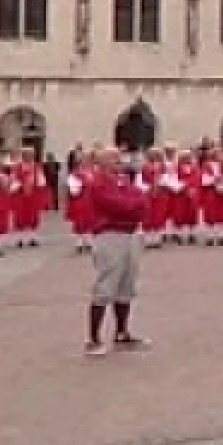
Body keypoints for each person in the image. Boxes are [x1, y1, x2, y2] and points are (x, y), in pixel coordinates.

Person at [83, 149, 151, 357]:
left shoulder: (123, 181)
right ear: (101, 162)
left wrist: (133, 205)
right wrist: (132, 205)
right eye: (114, 159)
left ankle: (122, 332)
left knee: (127, 283)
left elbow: (141, 202)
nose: (119, 162)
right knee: (106, 284)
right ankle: (93, 338)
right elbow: (115, 205)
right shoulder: (98, 183)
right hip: (109, 234)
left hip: (130, 234)